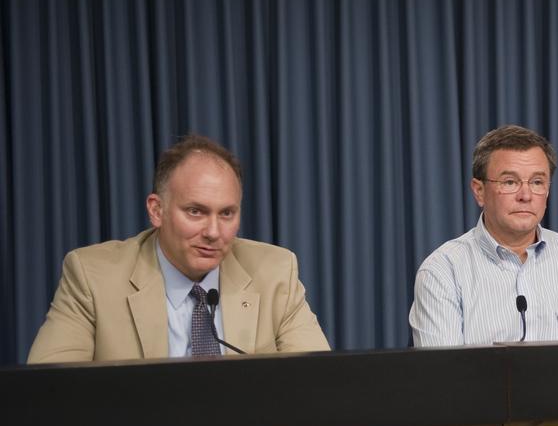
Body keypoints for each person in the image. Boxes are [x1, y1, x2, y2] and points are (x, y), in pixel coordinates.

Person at [27, 135, 330, 363]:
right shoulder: (92, 277)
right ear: (157, 210)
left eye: (226, 214)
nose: (213, 232)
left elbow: (318, 386)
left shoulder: (276, 272)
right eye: (196, 211)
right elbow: (51, 394)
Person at [410, 125, 558, 346]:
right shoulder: (443, 271)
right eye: (510, 182)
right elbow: (442, 376)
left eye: (537, 182)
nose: (526, 195)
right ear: (479, 191)